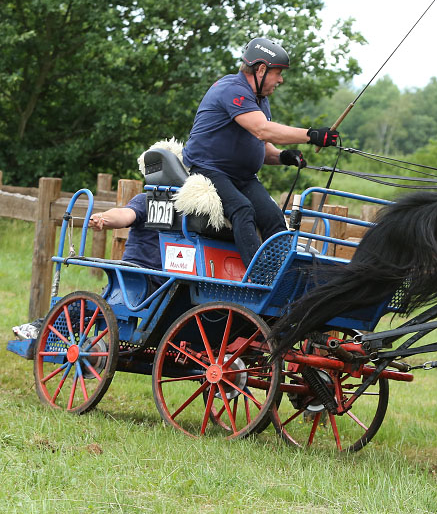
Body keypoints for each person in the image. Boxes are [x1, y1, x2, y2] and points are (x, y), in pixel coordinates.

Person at [181, 36, 340, 266]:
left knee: (273, 216)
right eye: (278, 73)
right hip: (208, 170)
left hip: (242, 177)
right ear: (262, 69)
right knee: (242, 208)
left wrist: (283, 156)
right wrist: (311, 135)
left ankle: (285, 273)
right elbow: (262, 130)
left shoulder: (260, 99)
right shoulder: (232, 89)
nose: (281, 80)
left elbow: (260, 146)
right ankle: (259, 276)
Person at [11, 194, 162, 339]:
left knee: (89, 306)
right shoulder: (149, 200)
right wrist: (103, 217)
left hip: (152, 284)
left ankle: (41, 328)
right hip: (139, 281)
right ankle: (41, 328)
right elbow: (125, 214)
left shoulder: (181, 209)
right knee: (91, 306)